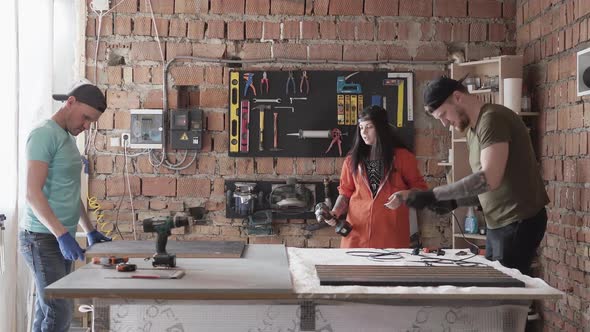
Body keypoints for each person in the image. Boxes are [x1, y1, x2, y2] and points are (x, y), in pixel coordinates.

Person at [404, 76, 548, 278]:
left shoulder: (492, 119)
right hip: (499, 222)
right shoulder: (473, 130)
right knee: (497, 291)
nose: (445, 123)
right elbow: (486, 186)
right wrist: (454, 200)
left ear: (457, 97)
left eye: (444, 114)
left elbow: (489, 178)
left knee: (504, 296)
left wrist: (436, 194)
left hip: (518, 221)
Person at [19, 81, 112, 332]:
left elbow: (71, 192)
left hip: (61, 237)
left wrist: (89, 229)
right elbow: (32, 193)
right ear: (70, 103)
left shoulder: (68, 138)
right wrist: (61, 235)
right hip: (41, 237)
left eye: (91, 122)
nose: (86, 126)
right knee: (58, 311)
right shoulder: (43, 134)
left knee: (49, 309)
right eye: (85, 118)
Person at [316, 105, 427, 248]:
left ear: (381, 128)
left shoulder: (402, 157)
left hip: (391, 237)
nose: (364, 132)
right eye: (361, 128)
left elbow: (422, 191)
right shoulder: (352, 160)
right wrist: (335, 212)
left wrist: (403, 195)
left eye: (369, 127)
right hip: (356, 235)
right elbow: (345, 194)